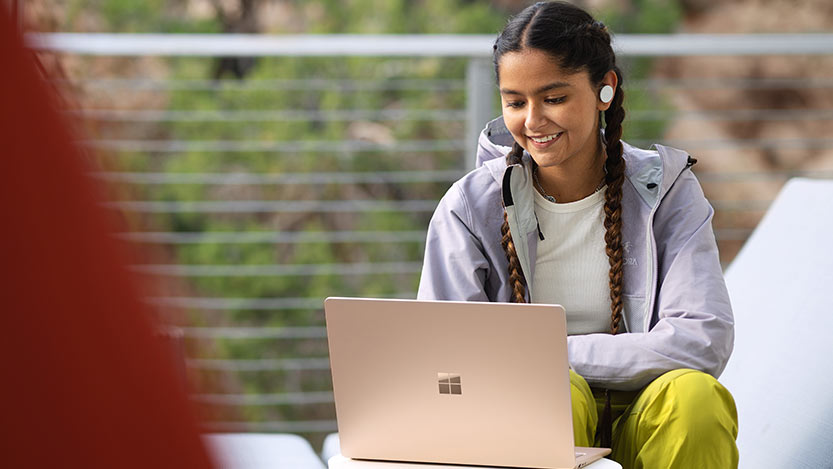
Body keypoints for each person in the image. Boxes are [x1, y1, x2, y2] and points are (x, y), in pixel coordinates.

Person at [417, 1, 738, 467]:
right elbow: (448, 354)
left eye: (554, 98)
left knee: (695, 398)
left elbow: (703, 339)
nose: (532, 121)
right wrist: (554, 370)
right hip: (530, 414)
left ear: (604, 89)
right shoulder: (469, 206)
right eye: (515, 102)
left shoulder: (666, 191)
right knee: (553, 390)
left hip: (646, 412)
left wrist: (550, 351)